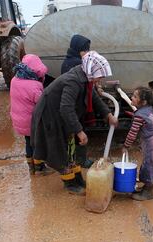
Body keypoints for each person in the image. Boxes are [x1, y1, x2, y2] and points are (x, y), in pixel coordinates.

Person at [31, 51, 118, 195]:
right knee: (60, 149)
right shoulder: (74, 81)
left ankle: (77, 179)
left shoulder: (84, 77)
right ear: (92, 71)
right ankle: (70, 183)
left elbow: (93, 97)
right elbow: (65, 108)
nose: (100, 80)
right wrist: (79, 130)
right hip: (51, 115)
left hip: (61, 114)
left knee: (72, 146)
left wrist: (107, 114)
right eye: (100, 76)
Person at [122, 87, 153, 201]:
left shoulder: (139, 116)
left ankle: (149, 193)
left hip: (152, 144)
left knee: (150, 166)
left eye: (134, 97)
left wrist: (125, 146)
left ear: (143, 102)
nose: (131, 98)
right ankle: (147, 189)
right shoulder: (150, 109)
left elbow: (132, 133)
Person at [10, 54, 53, 175]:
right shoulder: (34, 86)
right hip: (32, 122)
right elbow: (42, 104)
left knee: (28, 142)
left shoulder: (15, 80)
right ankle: (40, 168)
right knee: (37, 143)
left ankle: (31, 166)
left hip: (19, 119)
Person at [61, 34, 95, 169]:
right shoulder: (76, 65)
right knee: (76, 134)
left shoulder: (68, 60)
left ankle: (77, 161)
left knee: (77, 134)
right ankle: (75, 164)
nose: (87, 53)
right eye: (85, 50)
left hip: (76, 105)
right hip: (73, 106)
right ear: (77, 49)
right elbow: (66, 105)